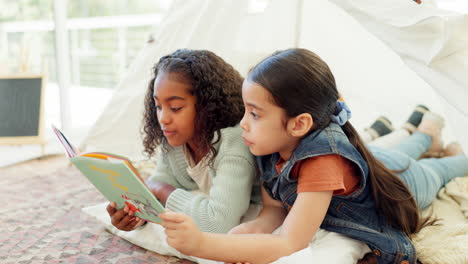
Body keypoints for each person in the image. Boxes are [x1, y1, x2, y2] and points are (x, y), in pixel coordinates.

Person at [158, 48, 468, 264]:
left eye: (254, 114)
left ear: (299, 124)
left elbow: (288, 242)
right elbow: (273, 212)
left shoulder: (322, 161)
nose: (242, 123)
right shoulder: (267, 147)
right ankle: (427, 134)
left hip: (404, 181)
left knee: (442, 169)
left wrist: (205, 244)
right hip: (376, 160)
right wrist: (239, 239)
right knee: (398, 150)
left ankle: (433, 137)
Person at [106, 49, 260, 233]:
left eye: (175, 107)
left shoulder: (235, 143)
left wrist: (161, 190)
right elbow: (157, 186)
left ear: (208, 106)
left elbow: (218, 224)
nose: (163, 118)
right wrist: (136, 215)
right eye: (158, 106)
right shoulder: (176, 141)